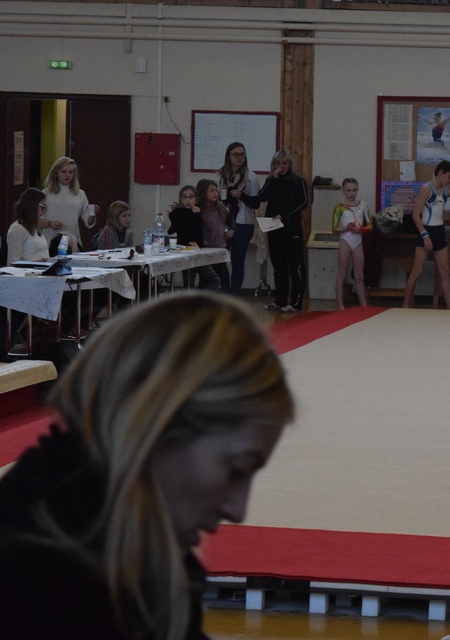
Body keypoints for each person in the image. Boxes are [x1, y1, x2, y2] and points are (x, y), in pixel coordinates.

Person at [0, 292, 294, 639]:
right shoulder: (38, 585)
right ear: (156, 430)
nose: (237, 510)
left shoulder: (120, 544)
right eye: (235, 471)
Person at [256, 149, 308, 313]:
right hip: (274, 229)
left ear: (290, 164)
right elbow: (261, 197)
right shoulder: (271, 179)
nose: (281, 166)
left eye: (284, 163)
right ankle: (280, 300)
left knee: (295, 266)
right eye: (278, 163)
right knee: (278, 266)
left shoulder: (298, 180)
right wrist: (273, 179)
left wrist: (284, 215)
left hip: (291, 228)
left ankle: (296, 302)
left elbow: (303, 203)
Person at [403, 161, 450, 310]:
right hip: (426, 231)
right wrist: (425, 236)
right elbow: (415, 215)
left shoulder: (446, 191)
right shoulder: (426, 189)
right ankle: (405, 305)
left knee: (445, 271)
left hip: (439, 231)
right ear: (440, 173)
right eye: (449, 177)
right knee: (417, 271)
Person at [219, 142, 261, 293]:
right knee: (220, 261)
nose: (239, 157)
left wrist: (241, 195)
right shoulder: (221, 176)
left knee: (237, 262)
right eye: (236, 154)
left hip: (243, 224)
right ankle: (225, 292)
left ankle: (234, 296)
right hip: (223, 222)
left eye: (242, 154)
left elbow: (256, 203)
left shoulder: (251, 177)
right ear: (229, 156)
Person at [169, 185, 221, 290]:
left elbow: (197, 233)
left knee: (214, 280)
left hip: (196, 251)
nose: (188, 200)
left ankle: (200, 300)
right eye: (184, 197)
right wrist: (195, 216)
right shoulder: (177, 213)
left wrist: (197, 215)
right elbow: (182, 231)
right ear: (180, 199)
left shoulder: (196, 212)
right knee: (189, 285)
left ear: (196, 199)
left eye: (191, 196)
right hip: (186, 251)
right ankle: (193, 300)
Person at [40, 156, 97, 249]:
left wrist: (92, 215)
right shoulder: (46, 193)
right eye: (64, 172)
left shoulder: (80, 194)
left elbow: (89, 222)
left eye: (71, 172)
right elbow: (37, 220)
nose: (67, 175)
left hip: (72, 241)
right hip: (50, 241)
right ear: (56, 173)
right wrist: (50, 223)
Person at [333, 178, 371, 310]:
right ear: (343, 190)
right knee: (341, 273)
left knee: (359, 275)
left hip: (357, 239)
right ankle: (340, 305)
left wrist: (359, 230)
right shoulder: (339, 207)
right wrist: (345, 229)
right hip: (345, 239)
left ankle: (363, 305)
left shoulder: (363, 205)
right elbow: (334, 229)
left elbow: (370, 226)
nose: (352, 193)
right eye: (348, 190)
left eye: (354, 190)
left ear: (357, 190)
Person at [198, 178, 234, 290]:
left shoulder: (219, 207)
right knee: (207, 281)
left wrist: (232, 229)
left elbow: (230, 219)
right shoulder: (199, 210)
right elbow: (195, 228)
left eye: (216, 190)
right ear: (203, 193)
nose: (215, 193)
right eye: (211, 191)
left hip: (220, 249)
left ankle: (223, 299)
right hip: (206, 250)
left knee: (223, 279)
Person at [5, 187, 50, 264]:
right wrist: (39, 262)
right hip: (30, 270)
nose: (43, 212)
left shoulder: (34, 226)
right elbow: (12, 263)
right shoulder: (18, 228)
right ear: (32, 206)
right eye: (42, 207)